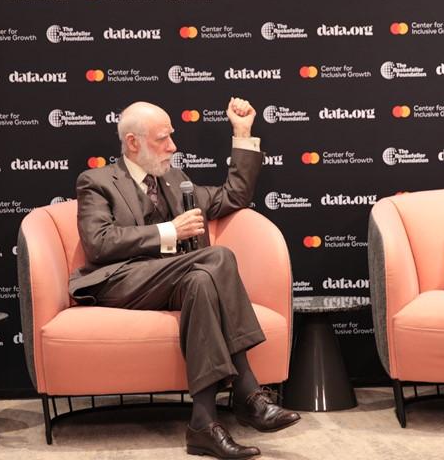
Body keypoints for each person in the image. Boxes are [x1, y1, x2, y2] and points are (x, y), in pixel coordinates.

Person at [72, 98, 299, 459]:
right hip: (120, 281)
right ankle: (248, 392)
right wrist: (169, 230)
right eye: (163, 139)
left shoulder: (176, 180)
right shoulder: (97, 181)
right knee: (218, 257)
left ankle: (203, 424)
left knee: (202, 282)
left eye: (171, 137)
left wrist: (242, 133)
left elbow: (233, 195)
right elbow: (98, 243)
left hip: (177, 282)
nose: (173, 147)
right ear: (133, 142)